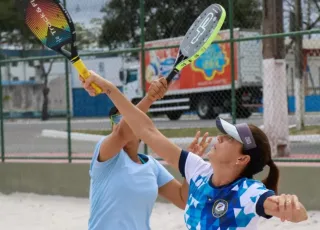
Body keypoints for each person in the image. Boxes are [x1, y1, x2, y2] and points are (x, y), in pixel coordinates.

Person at [81, 71, 309, 230]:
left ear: (242, 158)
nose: (219, 137)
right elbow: (145, 129)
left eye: (229, 138)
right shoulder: (197, 169)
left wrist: (292, 205)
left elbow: (298, 214)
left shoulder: (248, 193)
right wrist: (112, 89)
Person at [85, 76, 211, 230]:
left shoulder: (151, 165)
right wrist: (150, 97)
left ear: (141, 129)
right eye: (116, 119)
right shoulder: (106, 157)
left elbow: (182, 199)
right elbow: (122, 133)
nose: (120, 123)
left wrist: (191, 168)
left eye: (125, 117)